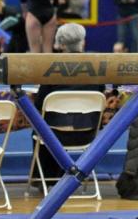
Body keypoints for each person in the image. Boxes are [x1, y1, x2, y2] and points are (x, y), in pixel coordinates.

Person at [33, 23, 105, 184]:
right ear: (83, 42)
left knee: (39, 127)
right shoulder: (97, 67)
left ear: (61, 44)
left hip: (55, 136)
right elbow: (101, 97)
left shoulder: (53, 69)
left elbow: (39, 106)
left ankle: (45, 179)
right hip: (87, 132)